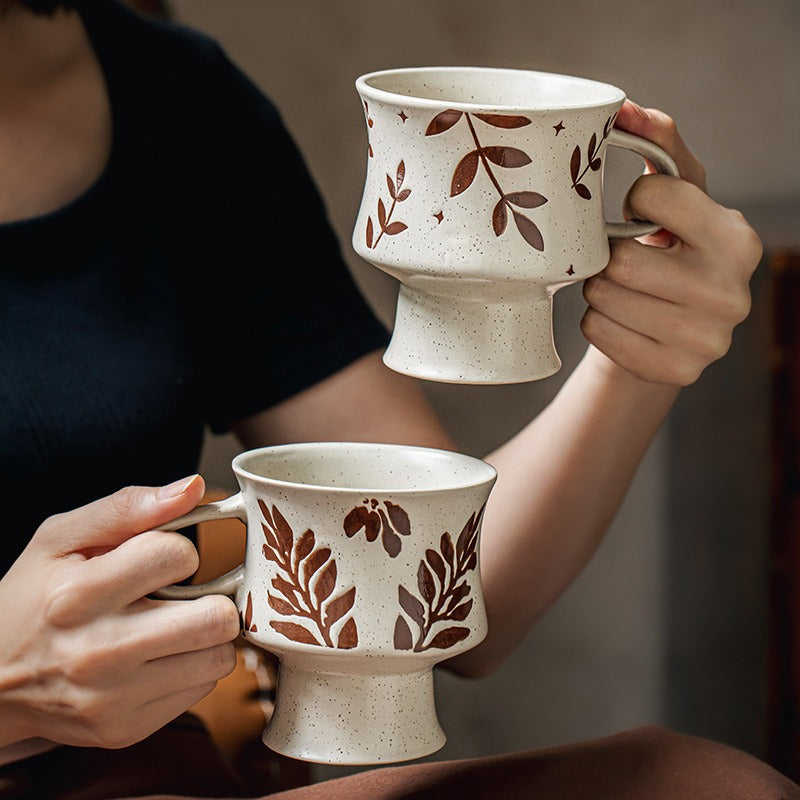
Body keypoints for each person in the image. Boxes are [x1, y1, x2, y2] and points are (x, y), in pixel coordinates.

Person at [0, 1, 794, 798]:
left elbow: (453, 582)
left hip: (140, 779)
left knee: (706, 784)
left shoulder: (176, 100)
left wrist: (639, 359)